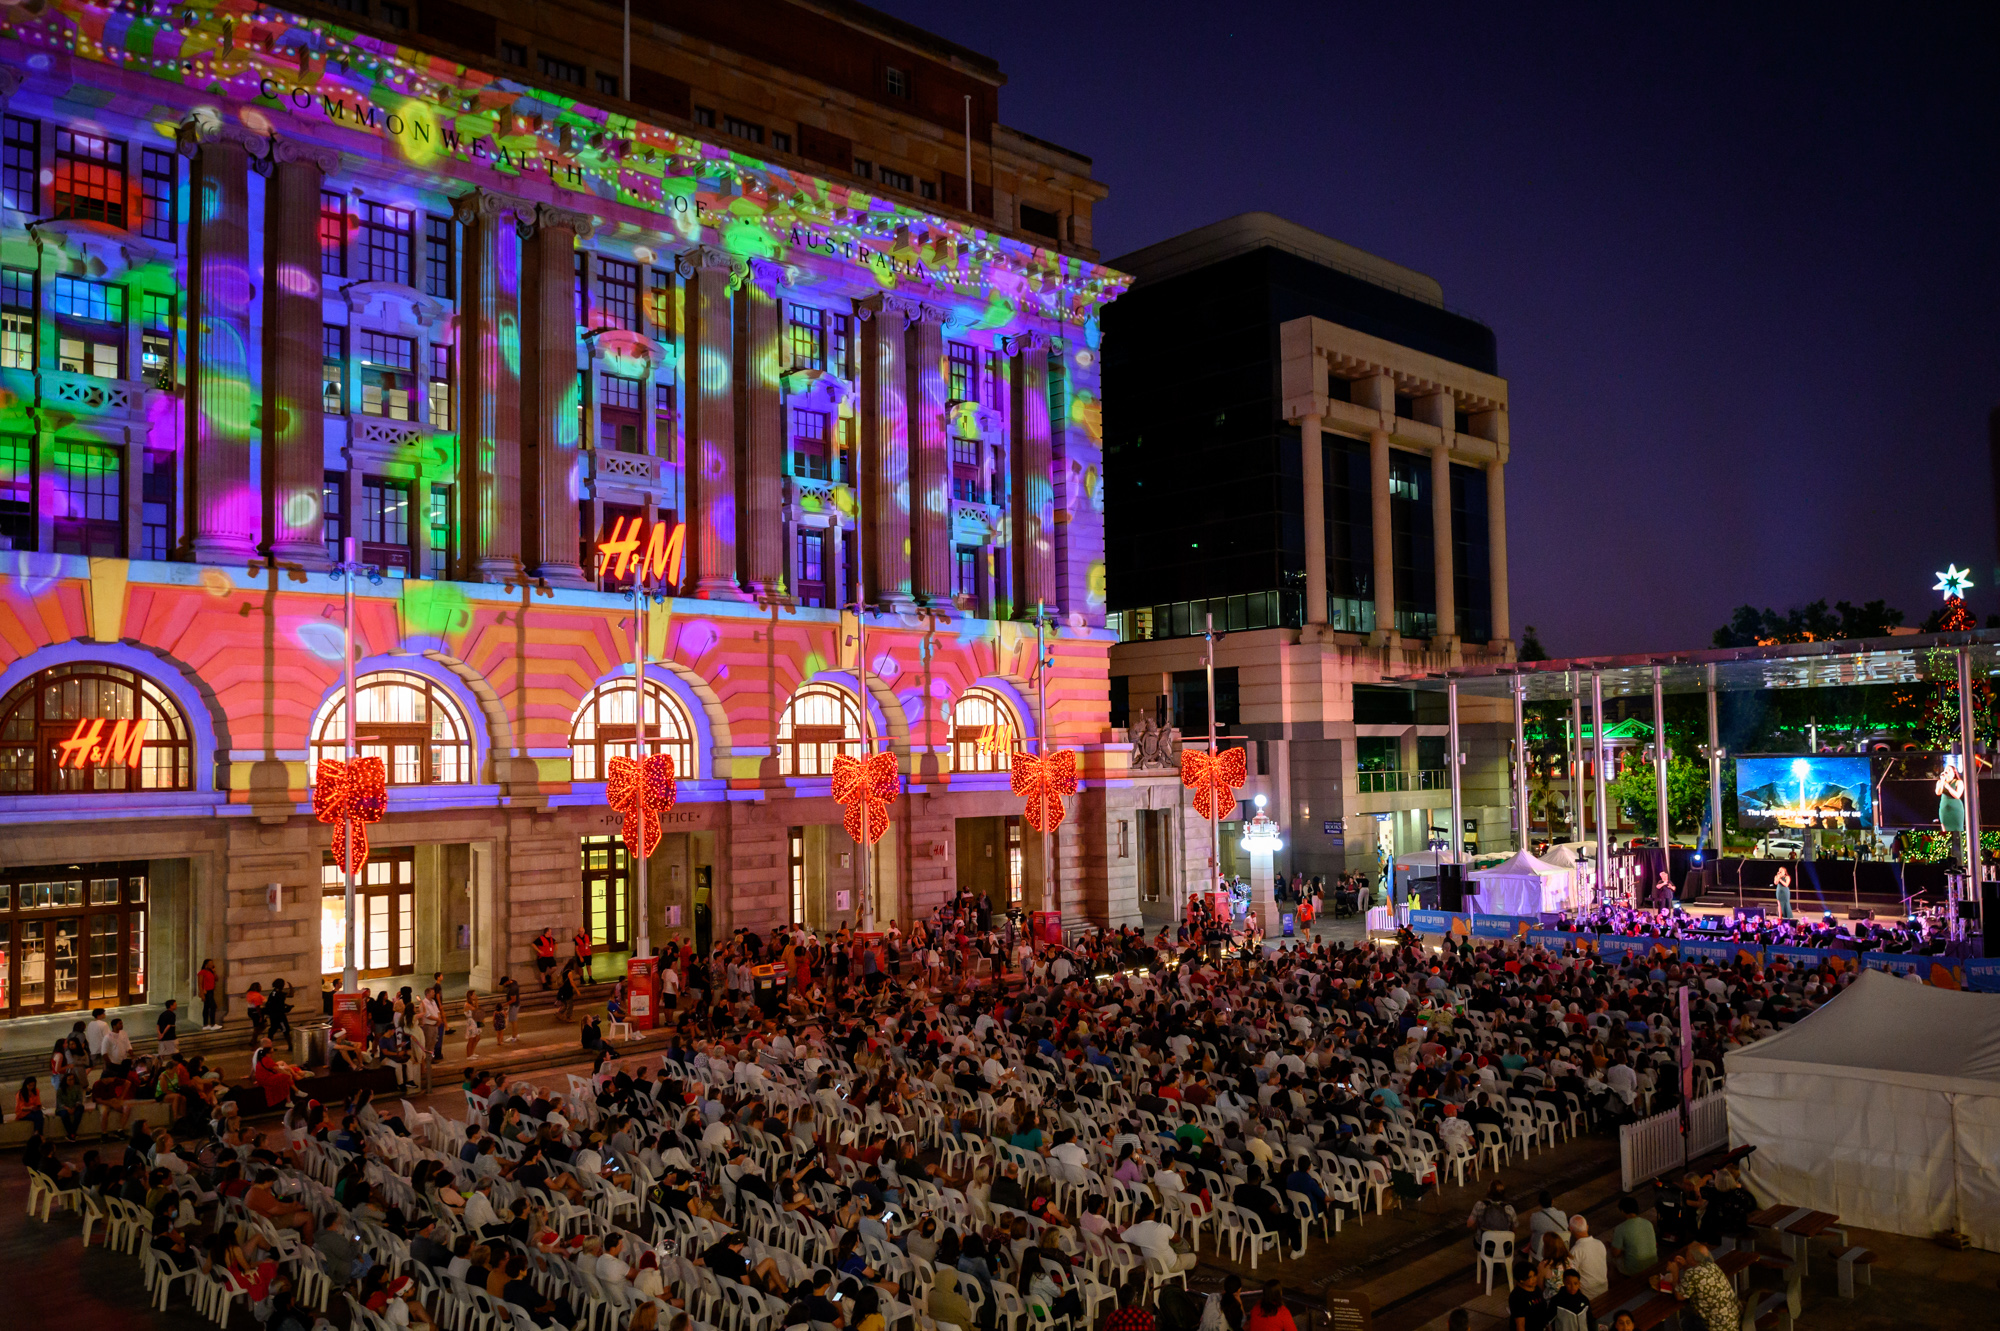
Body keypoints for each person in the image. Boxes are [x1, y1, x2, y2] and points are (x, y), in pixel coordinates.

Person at [1668, 1242, 1739, 1331]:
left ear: (1692, 1257)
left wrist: (1675, 1274)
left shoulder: (1693, 1273)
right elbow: (1696, 1278)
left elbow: (1680, 1296)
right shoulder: (1713, 1266)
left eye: (1687, 1253)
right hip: (1731, 1323)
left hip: (1714, 1327)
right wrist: (1686, 1265)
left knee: (1685, 1322)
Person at [1121, 1200, 1195, 1273]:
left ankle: (1166, 1280)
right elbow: (1177, 1240)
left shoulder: (1134, 1230)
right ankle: (1181, 1281)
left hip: (1152, 1266)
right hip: (1171, 1265)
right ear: (1153, 1213)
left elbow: (1118, 1238)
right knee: (1195, 1258)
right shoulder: (1163, 1227)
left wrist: (1109, 1230)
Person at [1609, 1196, 1657, 1275]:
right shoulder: (1648, 1223)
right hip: (1653, 1263)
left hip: (1634, 1270)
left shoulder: (1620, 1228)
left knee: (1609, 1254)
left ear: (1622, 1211)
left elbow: (1615, 1253)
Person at [1567, 1215, 1608, 1299]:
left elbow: (1572, 1275)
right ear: (1587, 1227)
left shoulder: (1575, 1251)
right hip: (1604, 1288)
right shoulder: (1599, 1243)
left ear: (1571, 1229)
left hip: (1588, 1295)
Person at [1507, 1264, 1550, 1331]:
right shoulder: (1517, 1297)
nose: (1534, 1279)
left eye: (1535, 1275)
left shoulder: (1536, 1289)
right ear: (1521, 1280)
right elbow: (1520, 1325)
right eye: (1530, 1277)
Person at [199, 960, 221, 1030]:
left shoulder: (211, 972)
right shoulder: (202, 972)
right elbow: (200, 984)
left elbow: (216, 979)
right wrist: (202, 994)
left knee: (206, 1007)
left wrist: (214, 971)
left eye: (212, 963)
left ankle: (205, 1024)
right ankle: (212, 1024)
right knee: (213, 1007)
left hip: (211, 991)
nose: (212, 964)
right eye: (210, 963)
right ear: (206, 965)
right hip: (206, 992)